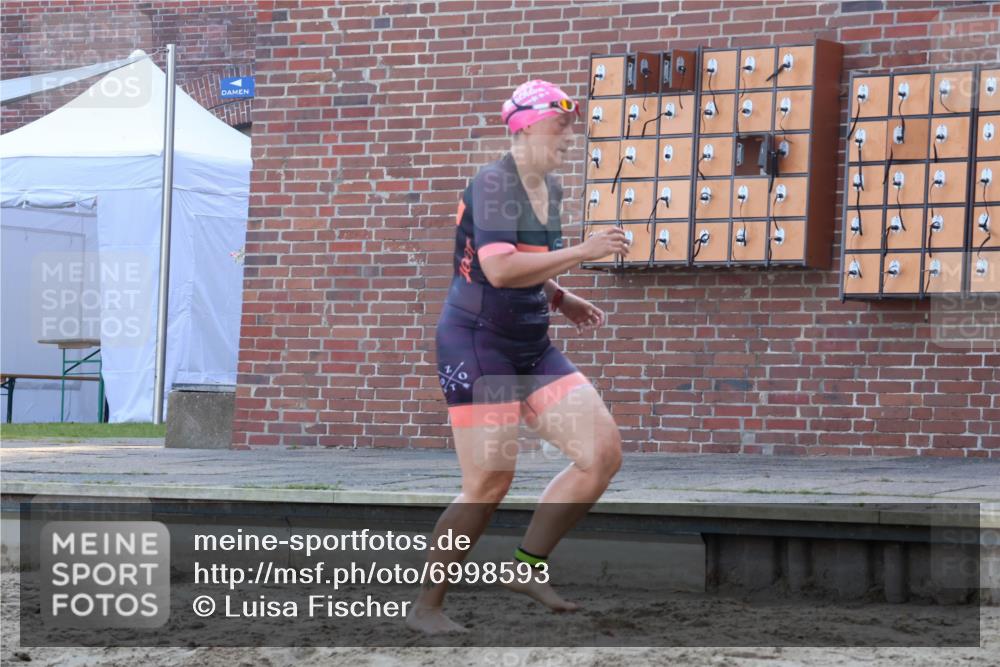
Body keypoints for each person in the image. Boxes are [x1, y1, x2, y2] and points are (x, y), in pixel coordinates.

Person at [406, 79, 630, 635]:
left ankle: (525, 567)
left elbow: (528, 257)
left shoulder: (546, 187)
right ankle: (427, 606)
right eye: (561, 126)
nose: (570, 137)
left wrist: (560, 296)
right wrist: (584, 251)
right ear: (527, 128)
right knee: (489, 483)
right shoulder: (494, 183)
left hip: (532, 346)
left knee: (600, 454)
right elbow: (500, 269)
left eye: (572, 127)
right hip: (479, 346)